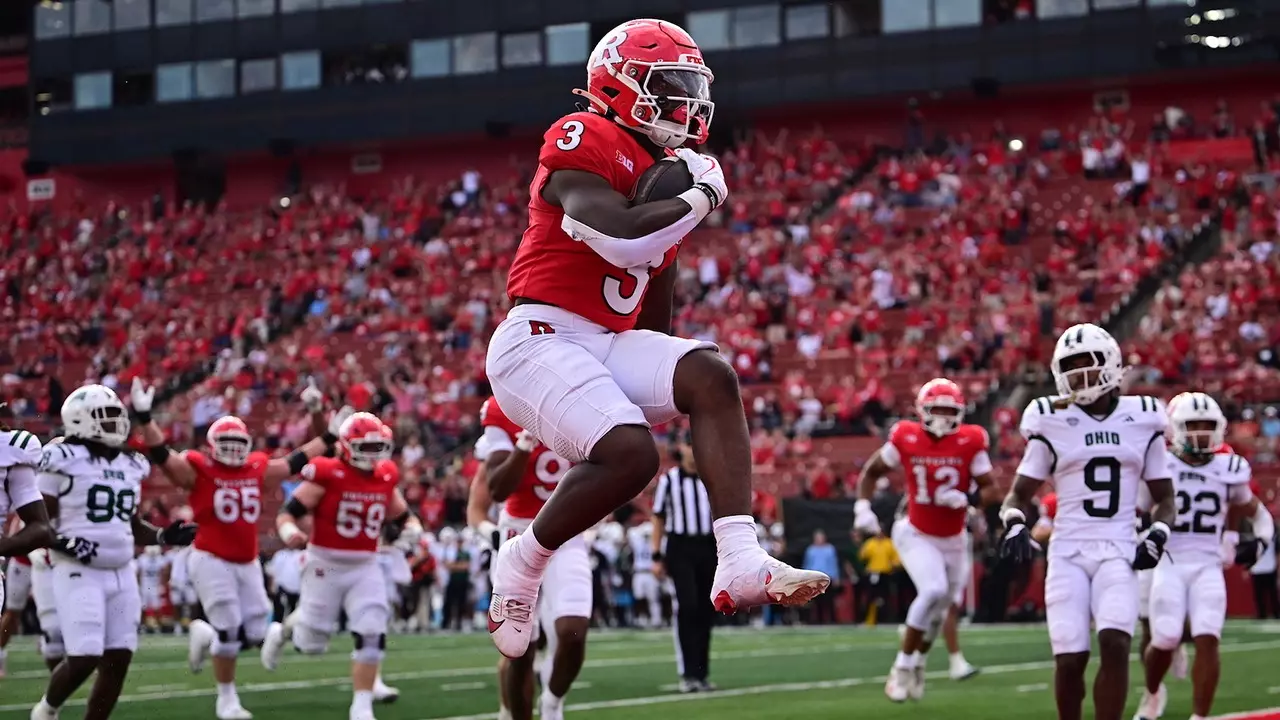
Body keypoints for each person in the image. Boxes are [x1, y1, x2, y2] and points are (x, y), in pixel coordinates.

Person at [483, 17, 828, 658]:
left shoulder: (662, 171)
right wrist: (697, 200)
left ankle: (740, 557)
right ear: (620, 85)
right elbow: (617, 233)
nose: (685, 100)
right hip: (538, 336)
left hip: (604, 340)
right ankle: (523, 561)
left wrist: (661, 383)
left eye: (689, 84)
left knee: (709, 374)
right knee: (633, 457)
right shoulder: (582, 132)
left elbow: (654, 311)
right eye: (668, 84)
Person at [134, 377, 344, 720]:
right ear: (213, 444)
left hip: (246, 561)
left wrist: (329, 437)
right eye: (226, 442)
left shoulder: (256, 468)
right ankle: (226, 699)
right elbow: (163, 458)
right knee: (231, 629)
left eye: (237, 442)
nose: (232, 448)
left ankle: (204, 634)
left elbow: (292, 462)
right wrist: (145, 418)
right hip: (210, 557)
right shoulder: (199, 469)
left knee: (257, 632)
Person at [999, 324, 1176, 720]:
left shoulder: (1143, 417)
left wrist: (1158, 534)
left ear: (1111, 365)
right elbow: (1018, 494)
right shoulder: (1052, 419)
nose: (1080, 377)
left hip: (1118, 548)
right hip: (1068, 552)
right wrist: (1013, 521)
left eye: (1089, 366)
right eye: (1071, 368)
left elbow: (1165, 497)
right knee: (1070, 659)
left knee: (1115, 643)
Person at [32, 385, 197, 720]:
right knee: (85, 656)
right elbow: (39, 523)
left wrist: (163, 534)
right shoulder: (59, 456)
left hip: (122, 570)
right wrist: (65, 543)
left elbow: (130, 524)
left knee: (119, 658)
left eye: (117, 418)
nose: (115, 425)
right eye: (105, 418)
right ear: (79, 420)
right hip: (78, 568)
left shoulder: (130, 463)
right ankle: (46, 711)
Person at [260, 412, 418, 720]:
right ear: (346, 446)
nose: (372, 456)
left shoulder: (385, 475)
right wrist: (290, 532)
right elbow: (286, 514)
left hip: (365, 565)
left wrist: (413, 528)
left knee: (372, 628)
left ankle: (361, 706)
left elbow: (403, 515)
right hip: (326, 563)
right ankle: (282, 632)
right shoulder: (328, 472)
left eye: (377, 448)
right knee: (310, 642)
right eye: (365, 448)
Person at [854, 378, 999, 702]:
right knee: (932, 591)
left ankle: (919, 660)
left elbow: (991, 488)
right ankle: (902, 667)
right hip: (916, 531)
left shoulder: (970, 440)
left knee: (941, 611)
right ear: (923, 411)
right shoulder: (906, 436)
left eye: (951, 410)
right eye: (938, 410)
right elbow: (873, 471)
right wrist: (862, 508)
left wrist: (970, 498)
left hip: (953, 537)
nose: (944, 417)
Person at [1136, 392, 1274, 720]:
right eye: (1192, 425)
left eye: (1207, 425)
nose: (1200, 432)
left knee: (1208, 637)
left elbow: (1259, 514)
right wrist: (1143, 540)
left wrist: (1261, 542)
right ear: (1176, 428)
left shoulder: (1229, 467)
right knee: (1165, 636)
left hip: (1207, 563)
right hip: (1170, 559)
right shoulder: (1160, 464)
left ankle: (1200, 716)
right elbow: (1135, 510)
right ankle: (1153, 691)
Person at [467, 396, 589, 720]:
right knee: (518, 649)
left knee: (573, 629)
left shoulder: (580, 393)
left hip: (567, 531)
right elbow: (493, 491)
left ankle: (551, 702)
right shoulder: (501, 410)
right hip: (519, 533)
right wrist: (523, 445)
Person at [652, 436, 720, 692]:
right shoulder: (669, 480)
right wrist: (656, 555)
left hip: (707, 545)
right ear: (681, 449)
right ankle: (688, 672)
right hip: (680, 547)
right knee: (688, 605)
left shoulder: (710, 477)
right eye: (689, 445)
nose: (693, 451)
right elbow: (658, 518)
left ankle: (701, 673)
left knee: (706, 608)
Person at [0, 424, 55, 678]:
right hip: (24, 555)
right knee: (14, 609)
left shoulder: (15, 451)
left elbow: (39, 524)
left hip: (47, 555)